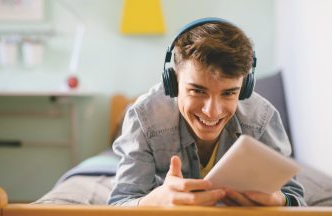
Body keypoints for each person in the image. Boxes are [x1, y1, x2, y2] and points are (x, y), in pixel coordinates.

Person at [108, 17, 306, 207]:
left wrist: (280, 200)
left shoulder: (262, 119)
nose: (211, 112)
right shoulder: (144, 117)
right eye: (197, 90)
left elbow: (294, 197)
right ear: (173, 82)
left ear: (244, 88)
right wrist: (153, 202)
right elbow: (120, 203)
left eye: (229, 93)